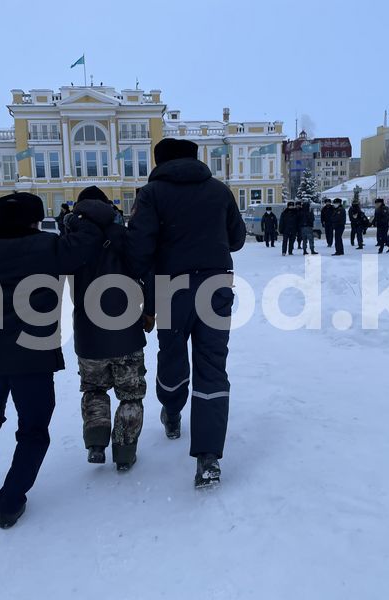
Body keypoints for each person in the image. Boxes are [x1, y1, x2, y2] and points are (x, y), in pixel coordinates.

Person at [0, 192, 113, 529]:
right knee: (33, 430)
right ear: (35, 219)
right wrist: (86, 211)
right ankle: (11, 500)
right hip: (32, 356)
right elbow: (87, 242)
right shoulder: (48, 248)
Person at [126, 138, 246, 488]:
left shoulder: (151, 194)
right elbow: (237, 239)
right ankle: (208, 458)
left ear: (159, 161)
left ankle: (173, 410)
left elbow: (138, 250)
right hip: (215, 284)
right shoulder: (219, 191)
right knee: (212, 364)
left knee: (173, 352)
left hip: (171, 287)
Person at [69, 186, 152, 472]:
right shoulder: (123, 236)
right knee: (130, 394)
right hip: (126, 331)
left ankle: (96, 442)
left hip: (87, 333)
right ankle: (125, 451)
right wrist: (149, 308)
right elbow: (146, 269)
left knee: (94, 389)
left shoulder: (71, 238)